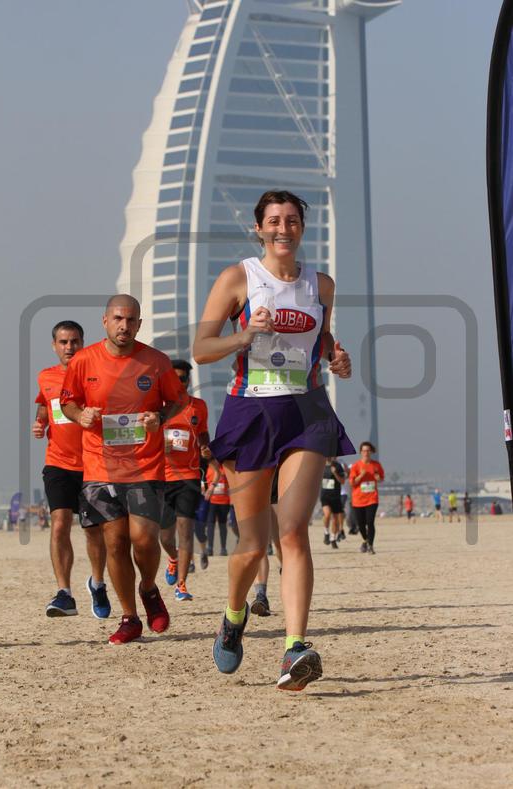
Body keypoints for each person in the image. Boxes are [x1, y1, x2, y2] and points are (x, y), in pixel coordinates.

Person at [193, 189, 354, 690]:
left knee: (293, 530)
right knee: (251, 543)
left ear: (302, 227)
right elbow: (202, 349)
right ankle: (233, 615)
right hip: (251, 411)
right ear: (259, 228)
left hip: (307, 411)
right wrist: (244, 335)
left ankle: (294, 648)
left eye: (292, 220)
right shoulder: (238, 278)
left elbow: (322, 337)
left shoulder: (320, 284)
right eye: (274, 221)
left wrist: (336, 356)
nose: (284, 229)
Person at [60, 295, 186, 644]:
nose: (124, 326)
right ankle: (129, 617)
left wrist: (159, 417)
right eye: (118, 319)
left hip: (144, 465)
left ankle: (149, 589)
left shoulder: (156, 362)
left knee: (144, 539)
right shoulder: (83, 361)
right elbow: (68, 402)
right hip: (99, 465)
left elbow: (179, 400)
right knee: (114, 542)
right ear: (105, 321)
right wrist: (80, 415)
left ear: (139, 324)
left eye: (131, 320)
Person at [33, 320, 109, 618]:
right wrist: (40, 423)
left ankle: (98, 583)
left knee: (94, 531)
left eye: (74, 341)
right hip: (58, 462)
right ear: (54, 345)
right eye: (63, 342)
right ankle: (64, 593)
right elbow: (44, 404)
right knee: (59, 522)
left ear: (82, 343)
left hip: (92, 463)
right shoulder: (46, 376)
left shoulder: (94, 374)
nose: (69, 347)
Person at [160, 359, 210, 602]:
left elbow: (203, 434)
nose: (179, 383)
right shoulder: (158, 406)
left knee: (186, 531)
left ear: (189, 381)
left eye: (182, 379)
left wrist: (205, 448)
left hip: (188, 477)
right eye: (174, 378)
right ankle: (173, 558)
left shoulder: (198, 406)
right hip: (162, 476)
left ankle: (182, 584)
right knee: (165, 537)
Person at [250, 468, 283, 617]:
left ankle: (287, 571)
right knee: (259, 546)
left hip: (278, 490)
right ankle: (261, 596)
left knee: (280, 544)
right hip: (254, 489)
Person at [349, 441, 385, 554]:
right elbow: (352, 483)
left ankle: (370, 545)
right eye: (364, 451)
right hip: (358, 500)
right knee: (361, 524)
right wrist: (361, 475)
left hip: (372, 498)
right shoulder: (356, 466)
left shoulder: (376, 465)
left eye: (368, 450)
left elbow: (381, 478)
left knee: (370, 522)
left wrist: (378, 478)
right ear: (361, 452)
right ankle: (365, 540)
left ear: (371, 452)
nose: (366, 453)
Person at [205, 461, 231, 556]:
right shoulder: (209, 467)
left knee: (222, 525)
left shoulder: (225, 468)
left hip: (224, 501)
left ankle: (223, 548)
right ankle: (210, 548)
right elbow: (204, 482)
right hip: (211, 501)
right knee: (210, 524)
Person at [320, 458, 346, 548]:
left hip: (335, 496)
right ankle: (326, 532)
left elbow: (342, 481)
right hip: (325, 496)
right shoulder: (321, 465)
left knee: (335, 519)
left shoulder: (338, 466)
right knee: (327, 514)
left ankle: (333, 538)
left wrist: (335, 473)